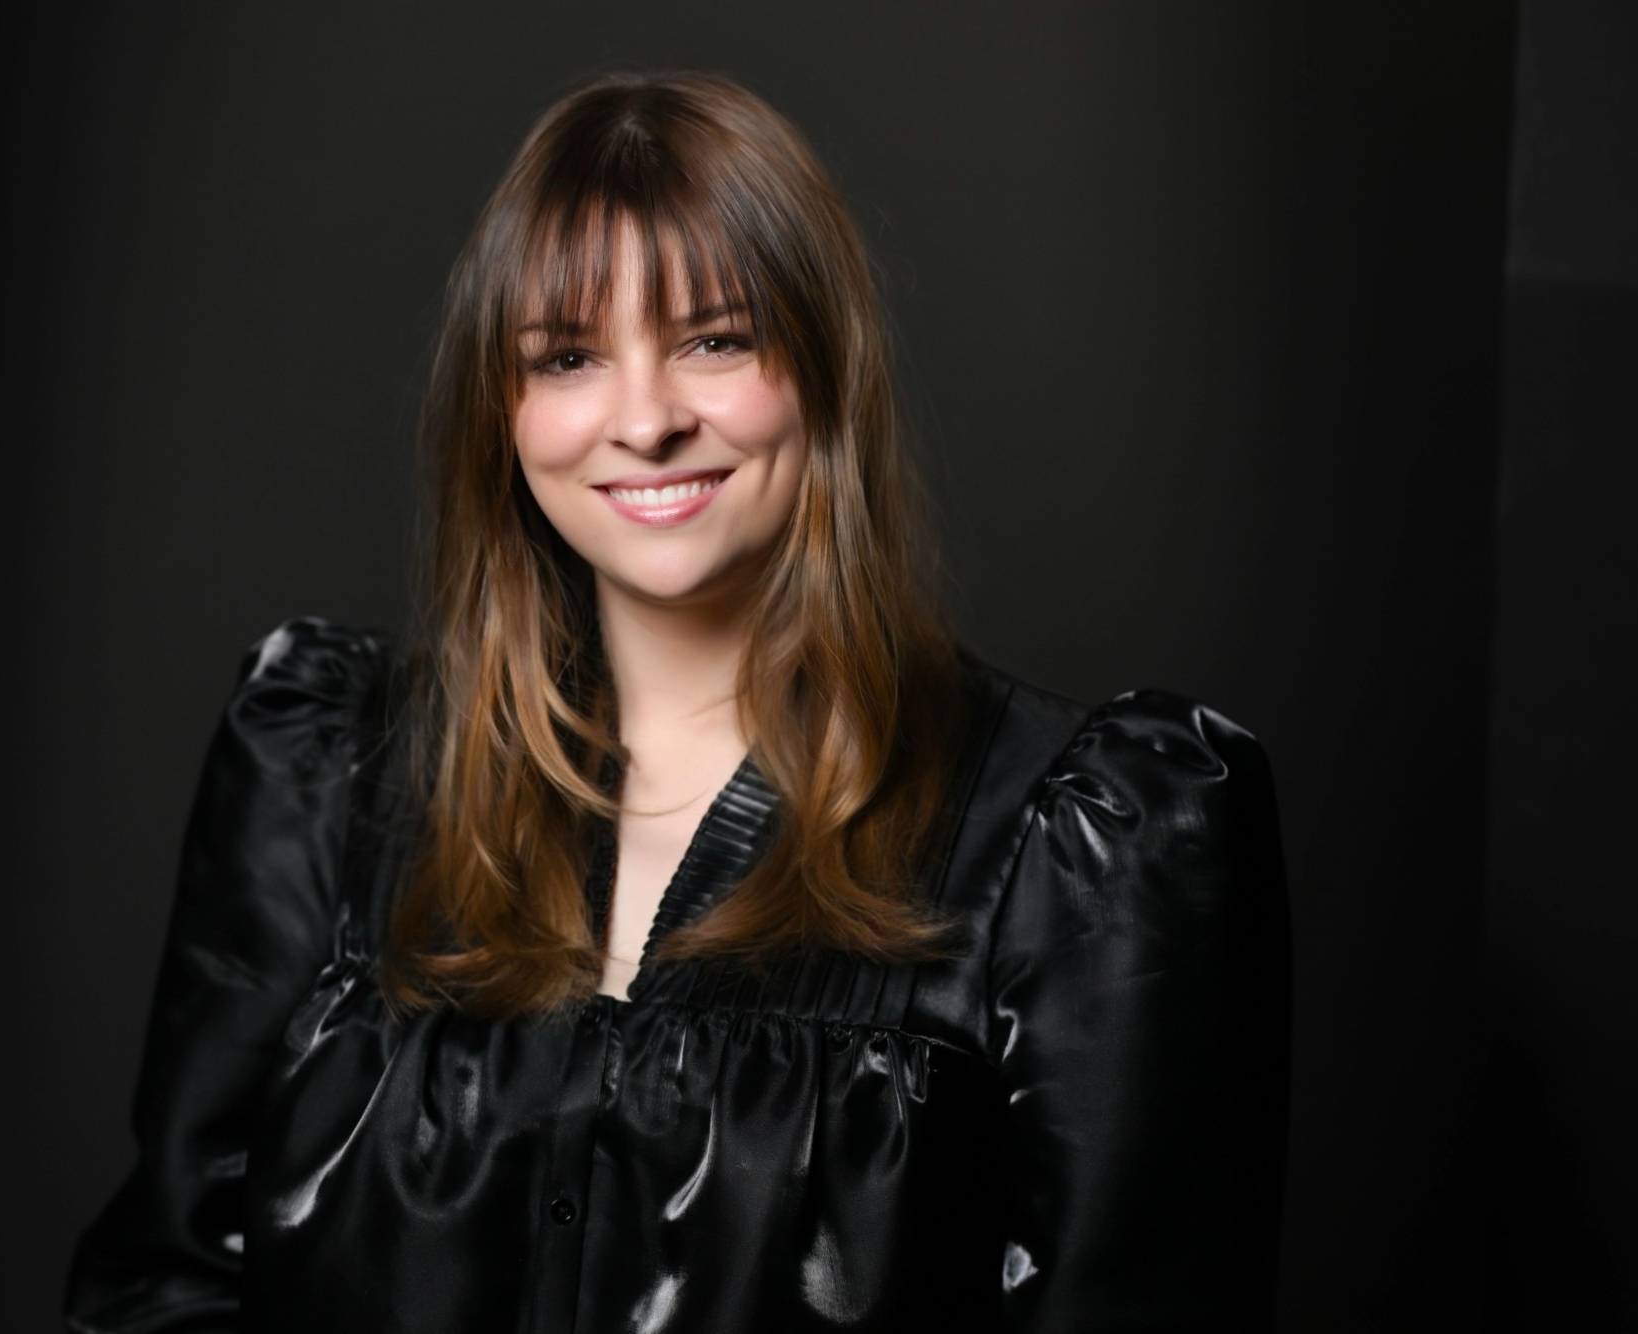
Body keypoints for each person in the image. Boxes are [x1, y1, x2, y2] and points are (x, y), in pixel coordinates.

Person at [65, 71, 1290, 1333]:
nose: (644, 420)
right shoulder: (330, 780)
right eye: (568, 356)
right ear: (503, 410)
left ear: (822, 364)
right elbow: (167, 1287)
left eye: (714, 339)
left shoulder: (1081, 846)